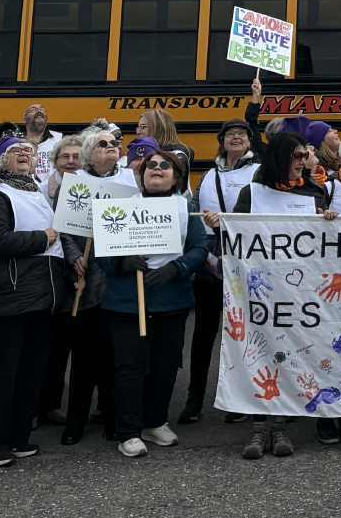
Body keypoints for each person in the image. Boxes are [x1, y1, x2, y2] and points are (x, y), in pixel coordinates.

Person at [207, 130, 329, 461]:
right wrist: (221, 224)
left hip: (300, 292)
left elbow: (326, 245)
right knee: (260, 355)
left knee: (291, 353)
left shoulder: (315, 192)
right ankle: (260, 426)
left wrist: (330, 222)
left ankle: (281, 425)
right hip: (259, 292)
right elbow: (237, 238)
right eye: (297, 157)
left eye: (305, 156)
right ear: (279, 159)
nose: (303, 163)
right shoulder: (253, 193)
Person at [0, 136, 69, 469]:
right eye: (16, 152)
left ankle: (17, 435)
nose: (25, 155)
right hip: (10, 297)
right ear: (0, 161)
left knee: (30, 371)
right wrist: (43, 238)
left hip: (42, 296)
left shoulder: (38, 192)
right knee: (2, 373)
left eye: (28, 152)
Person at [100, 148, 205, 459]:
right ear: (141, 174)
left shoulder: (186, 207)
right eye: (151, 166)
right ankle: (128, 430)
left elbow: (199, 248)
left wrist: (177, 268)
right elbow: (102, 255)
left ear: (176, 176)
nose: (157, 169)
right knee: (130, 368)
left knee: (165, 365)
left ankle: (155, 420)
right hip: (127, 303)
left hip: (170, 300)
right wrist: (121, 260)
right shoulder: (119, 208)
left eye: (164, 166)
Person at [183, 116, 258, 426]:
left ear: (250, 141)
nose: (236, 138)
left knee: (243, 333)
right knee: (203, 333)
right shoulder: (209, 176)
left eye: (242, 134)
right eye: (230, 135)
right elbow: (196, 213)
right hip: (211, 260)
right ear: (222, 141)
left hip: (245, 258)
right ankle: (194, 399)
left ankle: (242, 400)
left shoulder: (259, 173)